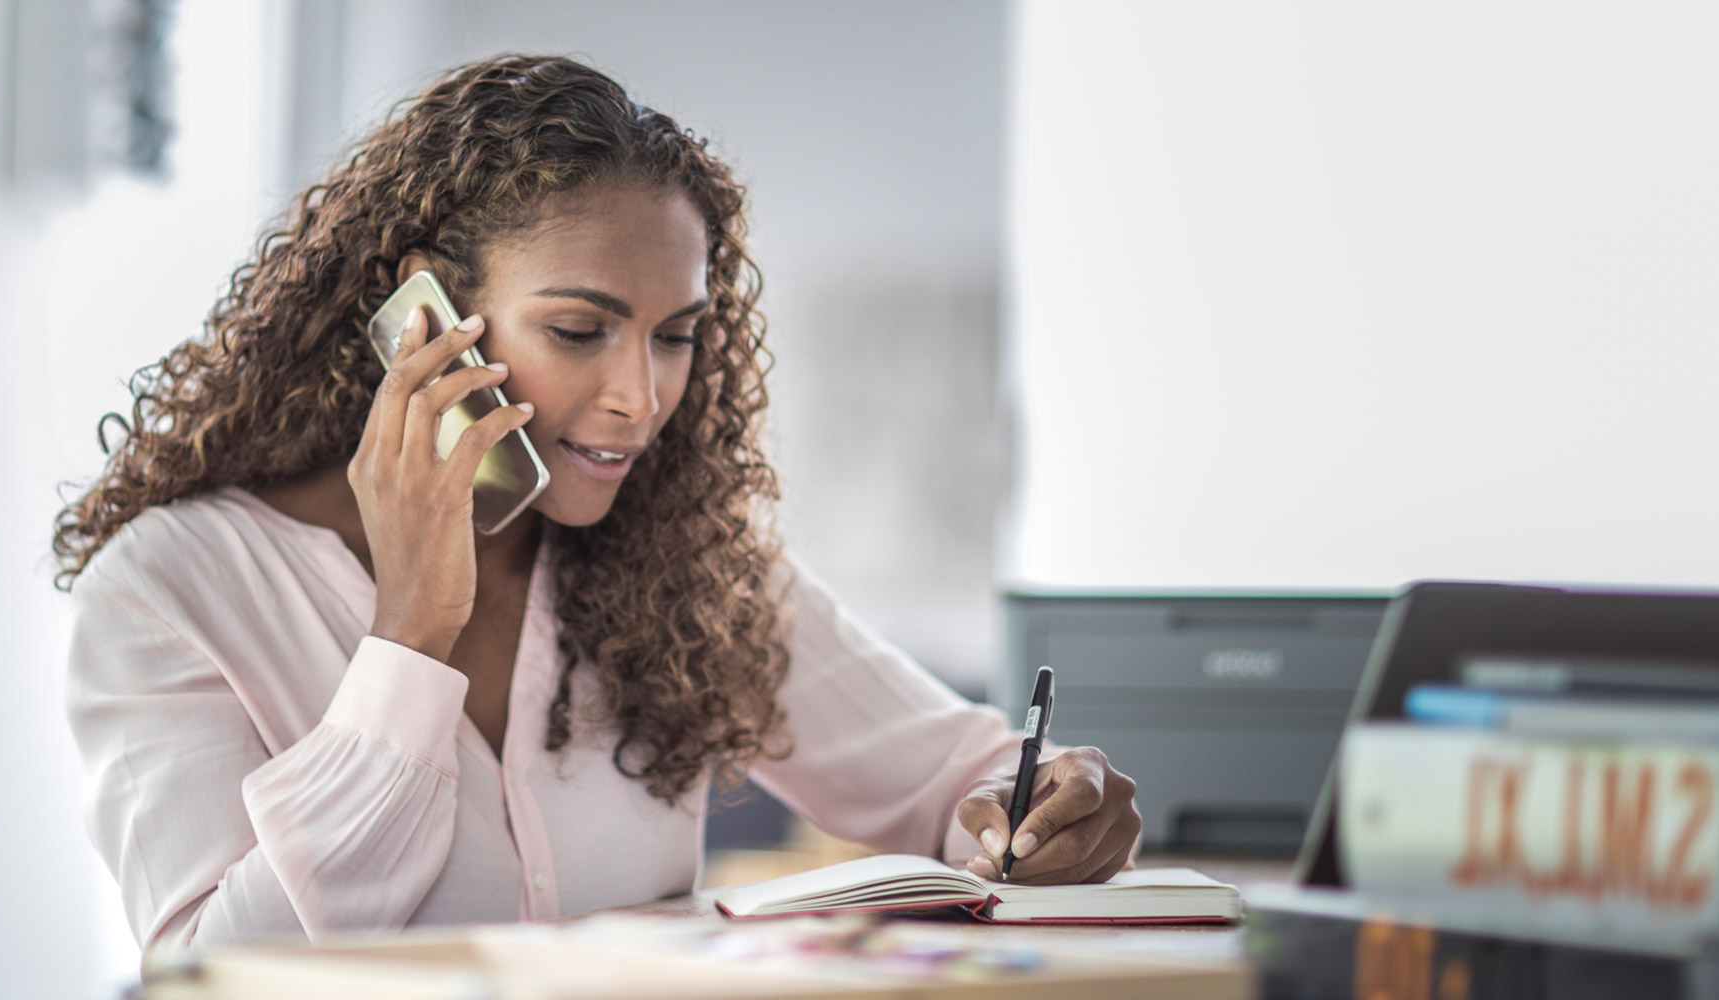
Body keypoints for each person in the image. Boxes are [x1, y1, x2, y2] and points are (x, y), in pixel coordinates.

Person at [56, 54, 1140, 951]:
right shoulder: (170, 588)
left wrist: (1045, 803)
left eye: (676, 336)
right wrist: (409, 638)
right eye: (579, 331)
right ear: (423, 312)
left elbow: (955, 776)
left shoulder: (691, 566)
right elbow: (207, 972)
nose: (640, 397)